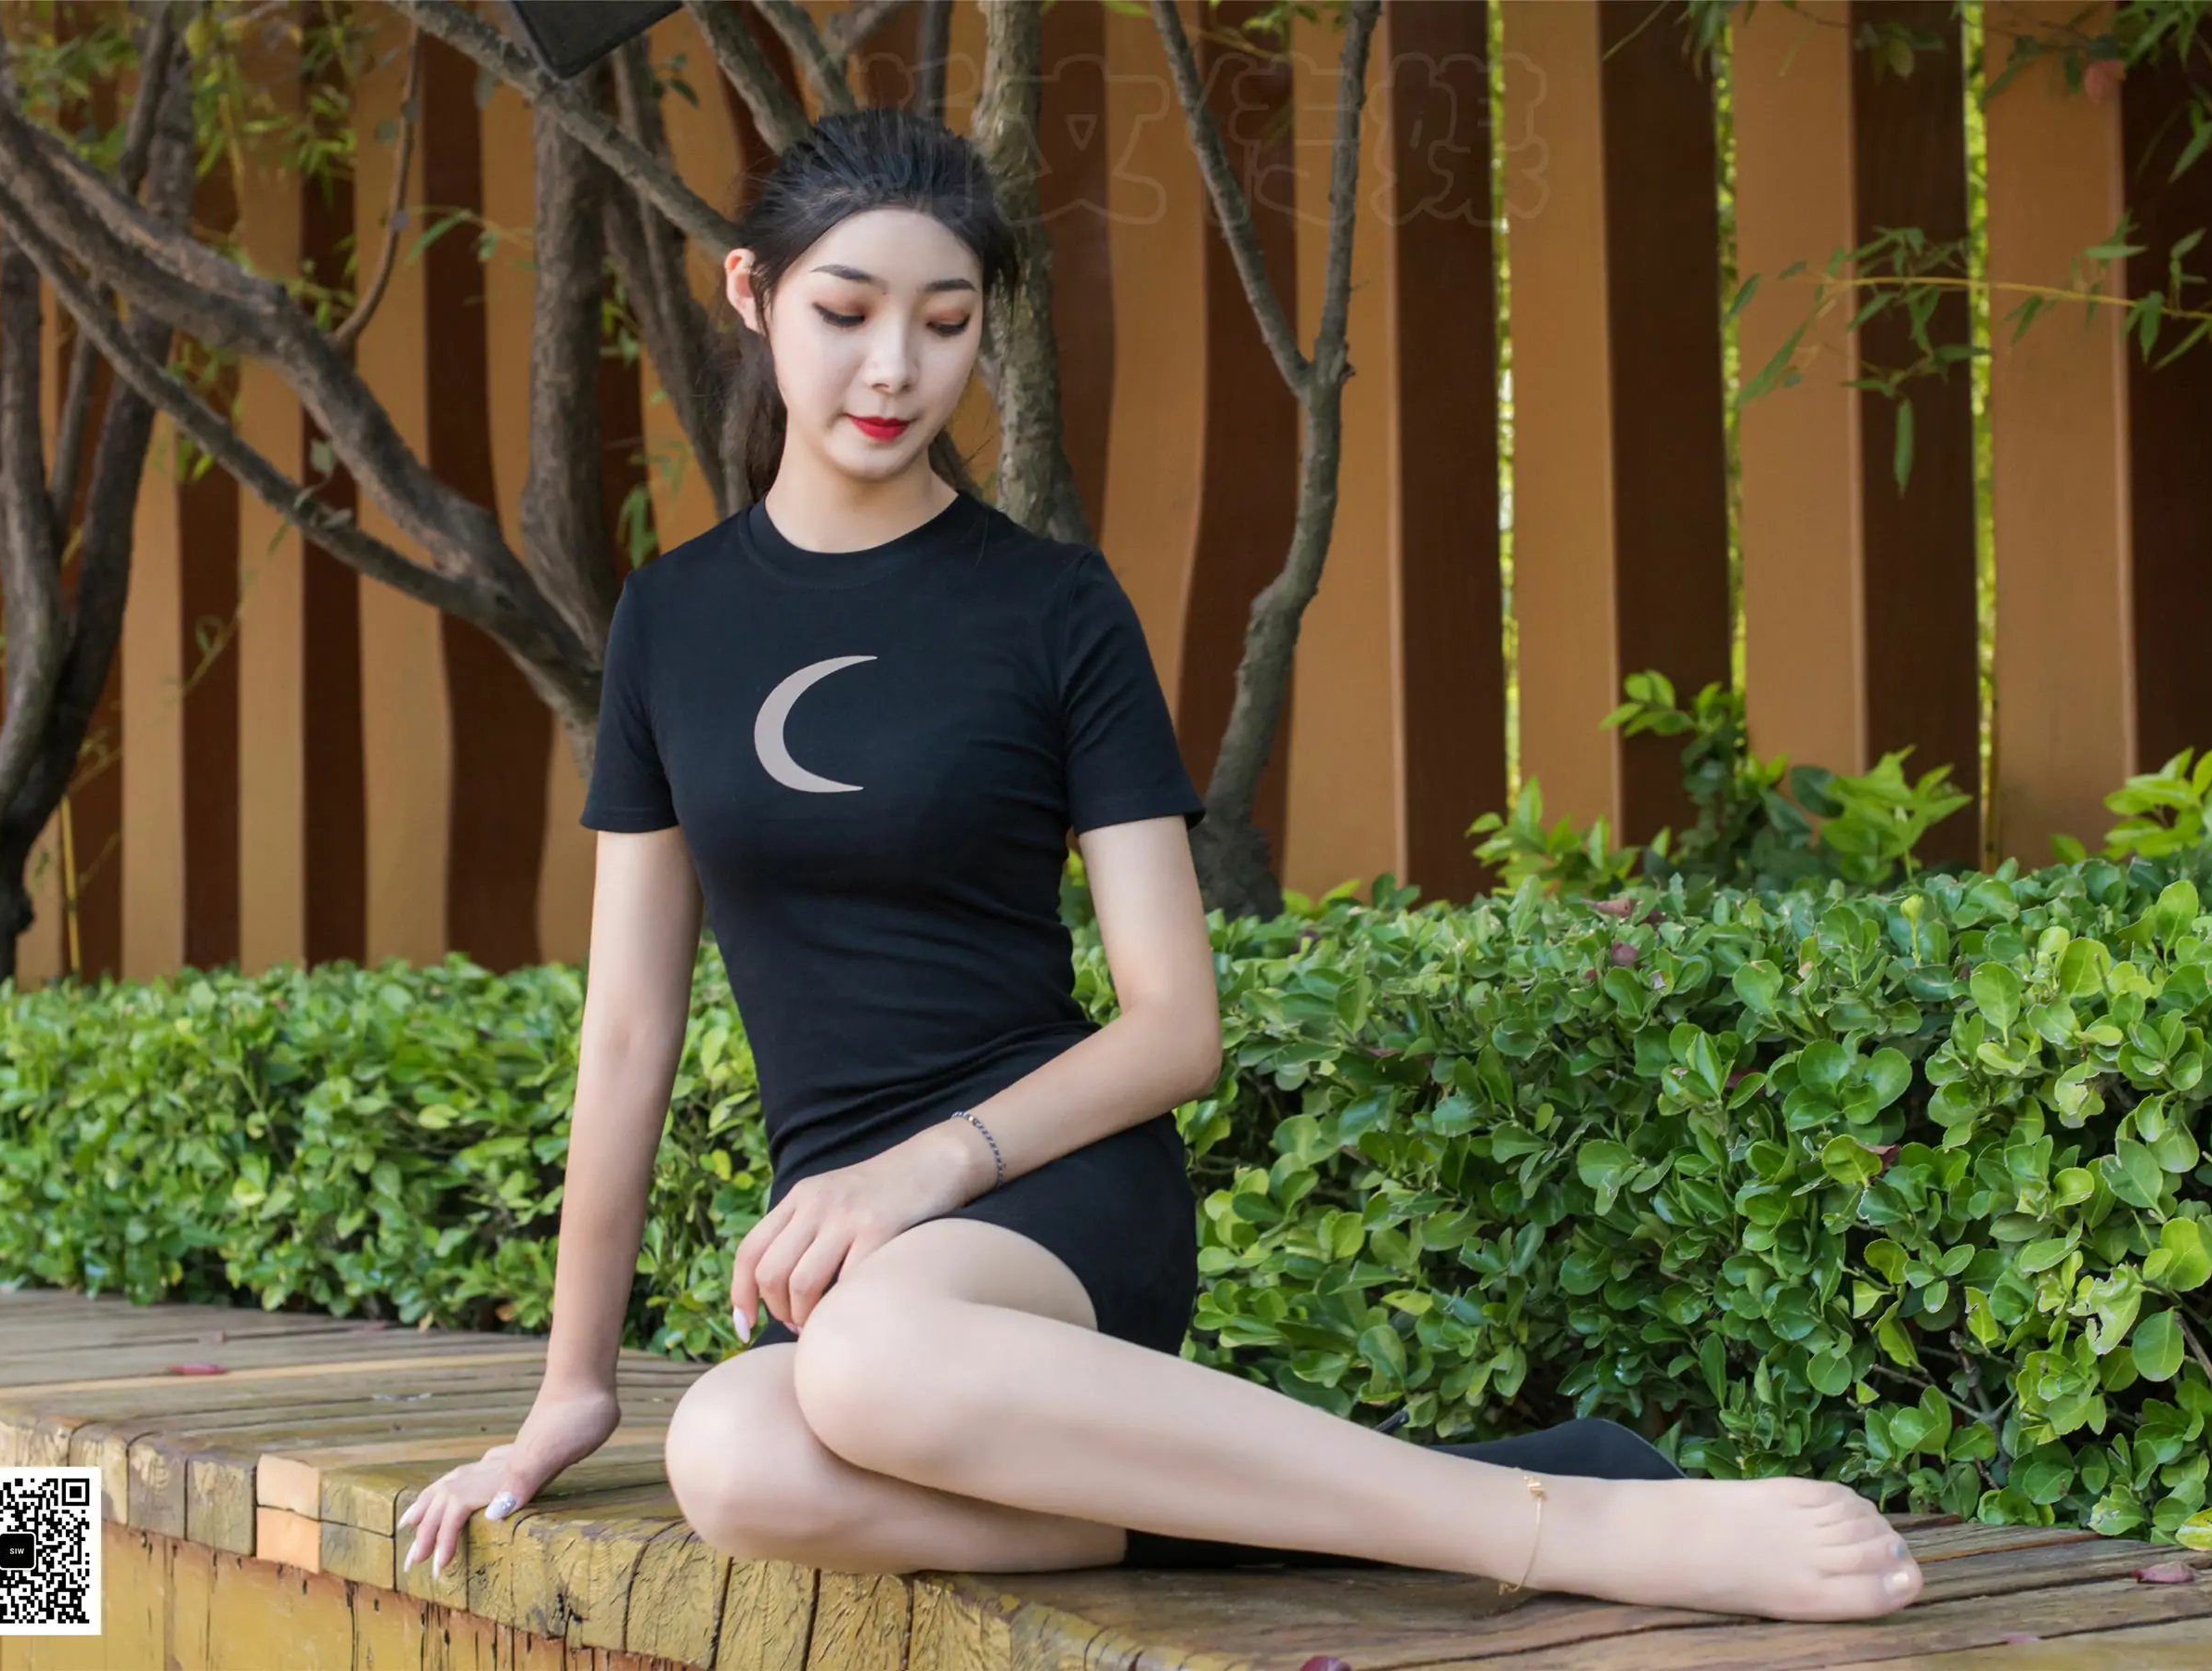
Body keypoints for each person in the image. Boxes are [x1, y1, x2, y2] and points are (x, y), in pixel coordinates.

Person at [394, 106, 1925, 1624]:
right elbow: (628, 1028)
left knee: (866, 1361)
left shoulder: (1051, 608)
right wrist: (572, 1389)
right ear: (752, 293)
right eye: (845, 314)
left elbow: (1175, 1028)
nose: (895, 369)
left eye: (945, 323)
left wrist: (926, 1169)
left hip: (1051, 1202)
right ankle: (1420, 1498)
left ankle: (1554, 1526)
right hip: (861, 1267)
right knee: (733, 1458)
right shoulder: (672, 621)